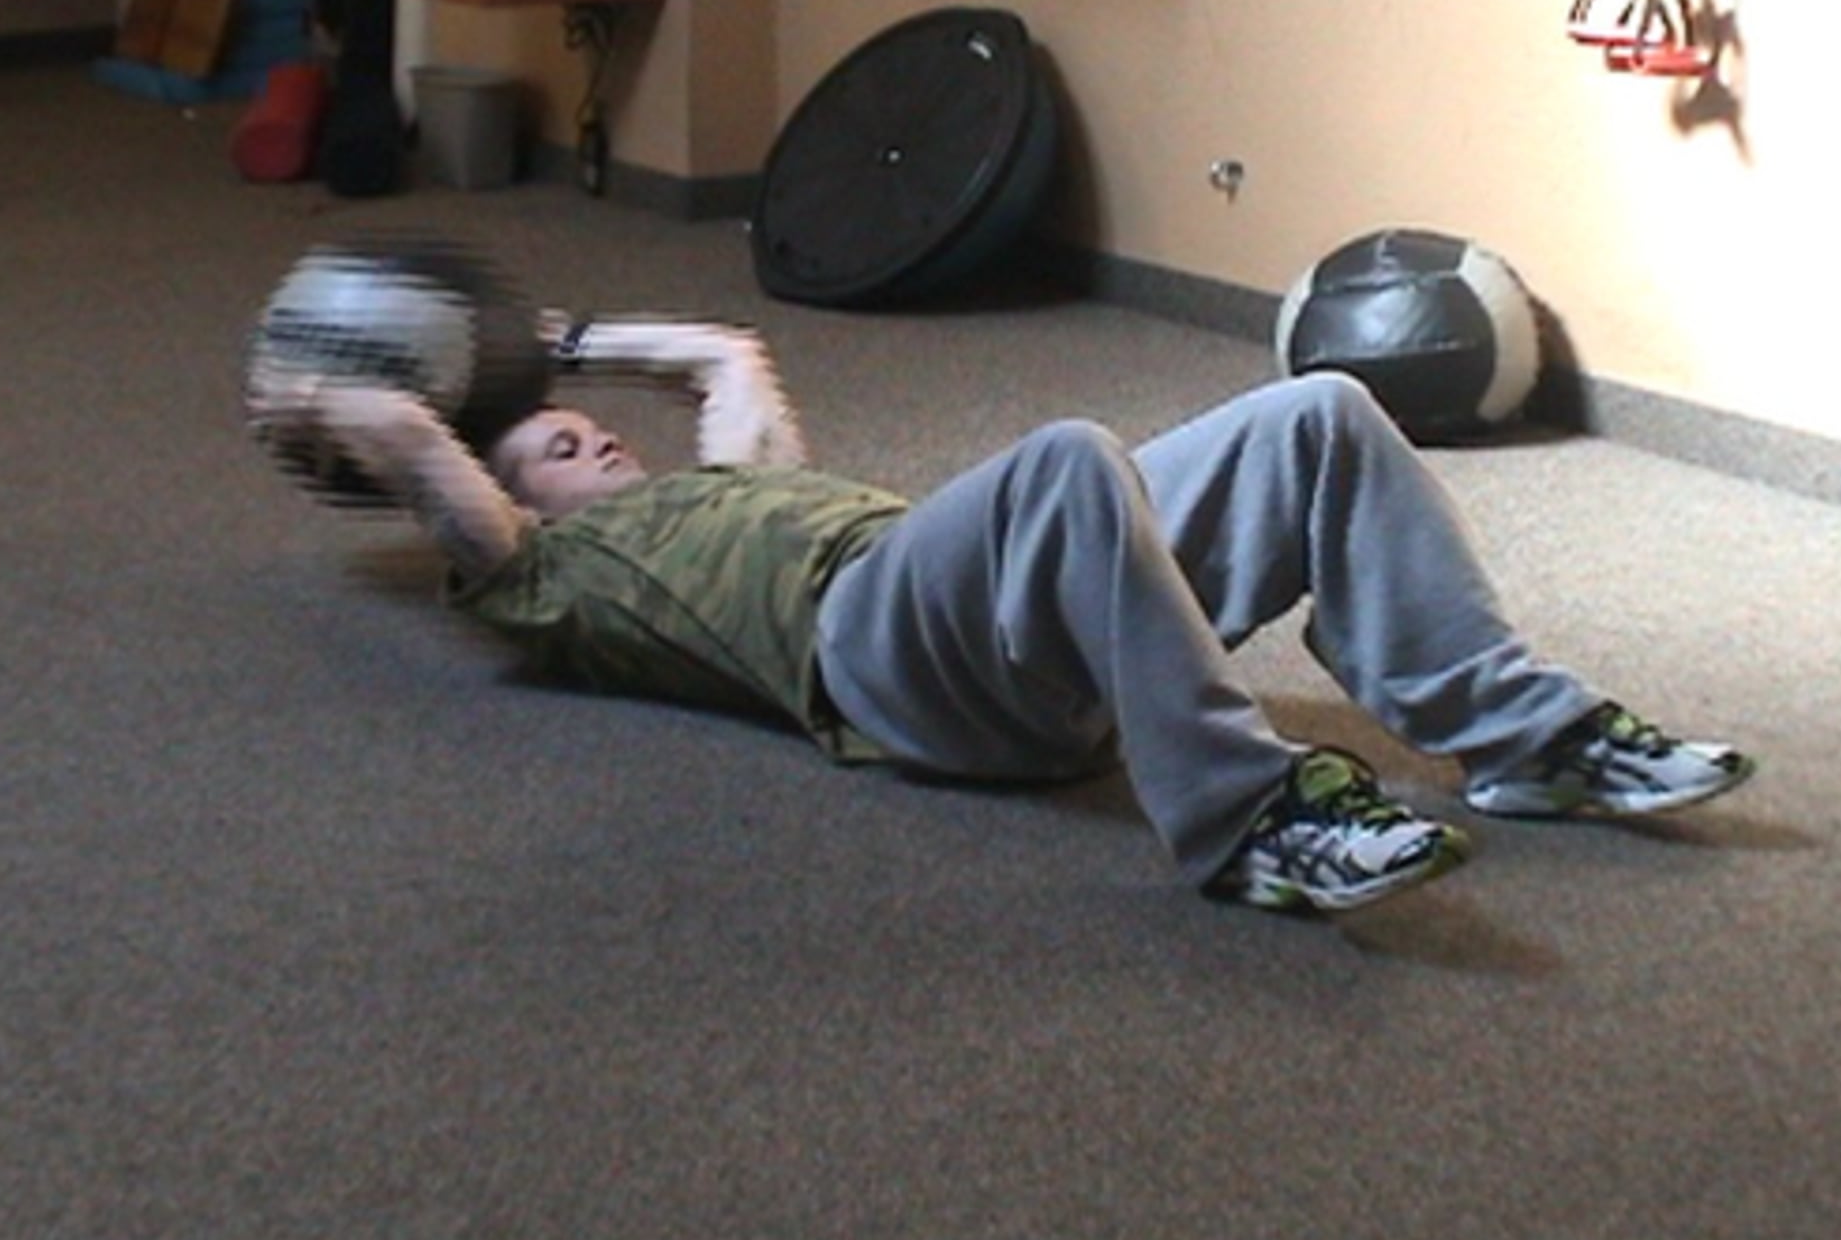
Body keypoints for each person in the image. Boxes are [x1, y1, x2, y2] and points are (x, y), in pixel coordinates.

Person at [262, 312, 1755, 916]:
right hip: (874, 664)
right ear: (514, 501)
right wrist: (307, 388)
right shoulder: (539, 573)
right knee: (1067, 458)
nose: (594, 443)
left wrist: (562, 340)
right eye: (555, 448)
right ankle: (1250, 820)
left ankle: (1524, 737)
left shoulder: (743, 479)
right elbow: (403, 438)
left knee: (1319, 412)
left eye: (593, 430)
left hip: (1011, 612)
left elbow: (726, 358)